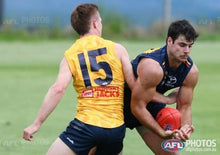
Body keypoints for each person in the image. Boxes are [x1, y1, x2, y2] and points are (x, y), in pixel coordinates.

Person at [23, 3, 136, 155]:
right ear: (95, 23)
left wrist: (37, 123)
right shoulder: (118, 49)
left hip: (86, 127)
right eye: (100, 21)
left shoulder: (71, 54)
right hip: (116, 130)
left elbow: (58, 88)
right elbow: (134, 86)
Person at [123, 19, 199, 155]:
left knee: (171, 154)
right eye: (182, 45)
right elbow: (137, 106)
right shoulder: (153, 67)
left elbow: (185, 106)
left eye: (190, 46)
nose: (186, 51)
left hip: (149, 106)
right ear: (169, 41)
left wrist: (184, 129)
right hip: (118, 106)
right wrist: (160, 131)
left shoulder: (190, 72)